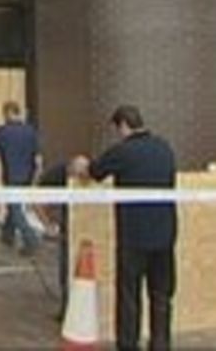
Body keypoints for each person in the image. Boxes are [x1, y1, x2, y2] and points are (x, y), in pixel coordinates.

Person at [72, 105, 177, 351]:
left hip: (134, 236)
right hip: (165, 234)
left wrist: (81, 167)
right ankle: (161, 344)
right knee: (161, 295)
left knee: (129, 295)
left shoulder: (123, 151)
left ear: (122, 126)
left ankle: (129, 345)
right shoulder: (165, 147)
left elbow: (94, 172)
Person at [0, 101, 42, 257]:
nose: (3, 117)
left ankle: (30, 239)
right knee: (14, 207)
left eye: (4, 113)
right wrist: (36, 178)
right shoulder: (31, 131)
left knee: (15, 209)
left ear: (8, 113)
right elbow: (38, 159)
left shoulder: (3, 131)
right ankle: (7, 235)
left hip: (12, 176)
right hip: (27, 177)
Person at [32, 158, 72, 321]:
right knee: (66, 267)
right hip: (69, 226)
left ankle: (67, 308)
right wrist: (48, 225)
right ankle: (66, 306)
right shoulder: (56, 175)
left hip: (75, 225)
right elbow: (37, 201)